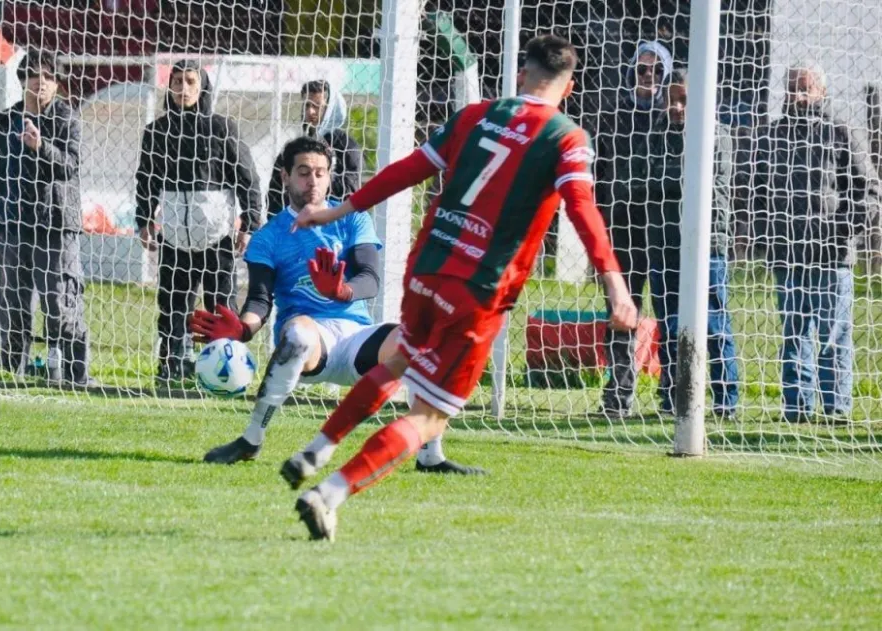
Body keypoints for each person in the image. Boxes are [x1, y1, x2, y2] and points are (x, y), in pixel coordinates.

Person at [282, 35, 638, 541]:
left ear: (521, 75)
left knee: (400, 360)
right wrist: (615, 286)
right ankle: (329, 493)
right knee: (429, 417)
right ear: (570, 87)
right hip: (478, 289)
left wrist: (337, 209)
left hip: (426, 269)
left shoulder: (474, 115)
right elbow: (582, 208)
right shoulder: (565, 136)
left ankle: (315, 450)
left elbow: (409, 169)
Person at [191, 136, 482, 475]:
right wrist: (244, 329)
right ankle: (251, 440)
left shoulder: (352, 220)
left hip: (357, 338)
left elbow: (370, 279)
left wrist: (342, 291)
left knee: (420, 341)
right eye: (303, 172)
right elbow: (259, 299)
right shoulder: (268, 237)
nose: (312, 181)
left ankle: (431, 456)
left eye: (320, 173)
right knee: (298, 334)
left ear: (330, 176)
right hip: (311, 342)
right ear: (285, 176)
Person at [754, 64, 878, 422]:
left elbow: (869, 191)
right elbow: (757, 192)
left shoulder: (841, 131)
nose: (797, 95)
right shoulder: (773, 136)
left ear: (822, 91)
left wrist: (842, 232)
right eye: (792, 87)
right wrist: (766, 234)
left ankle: (836, 409)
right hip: (787, 255)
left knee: (833, 336)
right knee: (794, 336)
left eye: (805, 88)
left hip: (831, 257)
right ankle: (796, 408)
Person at [135, 60, 263, 383]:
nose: (183, 88)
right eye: (177, 81)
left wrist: (250, 224)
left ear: (202, 87)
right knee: (172, 306)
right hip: (174, 236)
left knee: (221, 307)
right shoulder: (156, 132)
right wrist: (144, 219)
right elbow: (146, 180)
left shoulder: (222, 128)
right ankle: (172, 366)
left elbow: (248, 179)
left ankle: (223, 371)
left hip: (217, 237)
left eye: (190, 81)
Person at [0, 50, 90, 387]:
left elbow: (70, 166)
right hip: (12, 225)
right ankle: (12, 371)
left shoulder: (67, 118)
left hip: (55, 225)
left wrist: (41, 147)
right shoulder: (6, 120)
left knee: (61, 302)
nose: (42, 82)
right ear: (23, 79)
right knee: (11, 302)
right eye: (35, 75)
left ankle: (75, 374)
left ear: (58, 83)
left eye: (50, 76)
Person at [585, 40, 673, 419]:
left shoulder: (673, 116)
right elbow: (598, 174)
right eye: (642, 69)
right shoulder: (613, 116)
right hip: (622, 226)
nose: (648, 76)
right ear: (631, 72)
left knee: (670, 312)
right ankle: (617, 397)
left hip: (664, 228)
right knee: (622, 312)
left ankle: (673, 397)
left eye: (656, 70)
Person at [646, 69, 740, 418]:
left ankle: (726, 400)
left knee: (714, 325)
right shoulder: (656, 134)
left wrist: (667, 180)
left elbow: (701, 183)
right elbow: (644, 178)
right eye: (671, 100)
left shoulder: (717, 134)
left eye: (683, 100)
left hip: (707, 246)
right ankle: (673, 397)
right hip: (664, 243)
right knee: (669, 325)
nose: (676, 107)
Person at [266, 80, 362, 219]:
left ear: (331, 109)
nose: (310, 111)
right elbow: (275, 192)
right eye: (307, 105)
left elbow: (350, 190)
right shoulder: (294, 148)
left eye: (317, 106)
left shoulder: (346, 146)